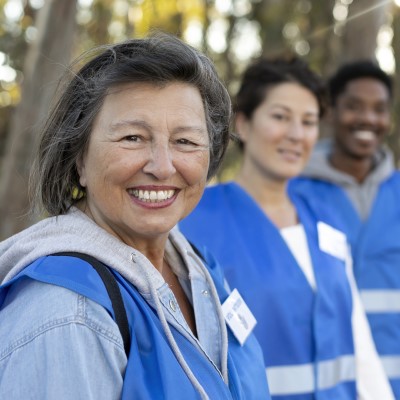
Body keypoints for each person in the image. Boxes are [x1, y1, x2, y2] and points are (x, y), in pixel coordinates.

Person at [0, 34, 270, 399]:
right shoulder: (68, 313)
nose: (162, 167)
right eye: (132, 138)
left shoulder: (198, 269)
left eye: (185, 142)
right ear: (78, 158)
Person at [180, 57, 394, 399]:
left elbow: (359, 346)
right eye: (280, 117)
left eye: (308, 122)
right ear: (245, 124)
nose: (296, 134)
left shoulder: (327, 222)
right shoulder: (193, 222)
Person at [289, 60, 400, 397]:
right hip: (332, 386)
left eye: (379, 109)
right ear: (331, 112)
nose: (368, 119)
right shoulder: (294, 194)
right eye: (354, 106)